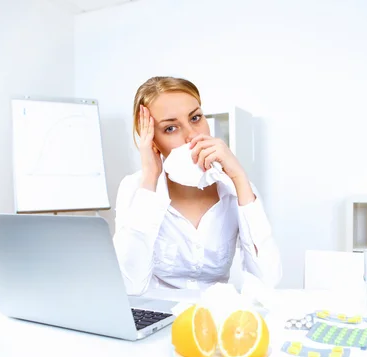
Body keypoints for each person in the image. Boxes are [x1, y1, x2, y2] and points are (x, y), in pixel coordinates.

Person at [112, 76, 282, 295]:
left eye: (195, 118)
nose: (192, 136)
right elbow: (130, 286)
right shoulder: (136, 188)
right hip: (155, 318)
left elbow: (267, 281)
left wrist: (239, 177)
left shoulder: (236, 188)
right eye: (171, 128)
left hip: (212, 317)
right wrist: (150, 177)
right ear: (152, 141)